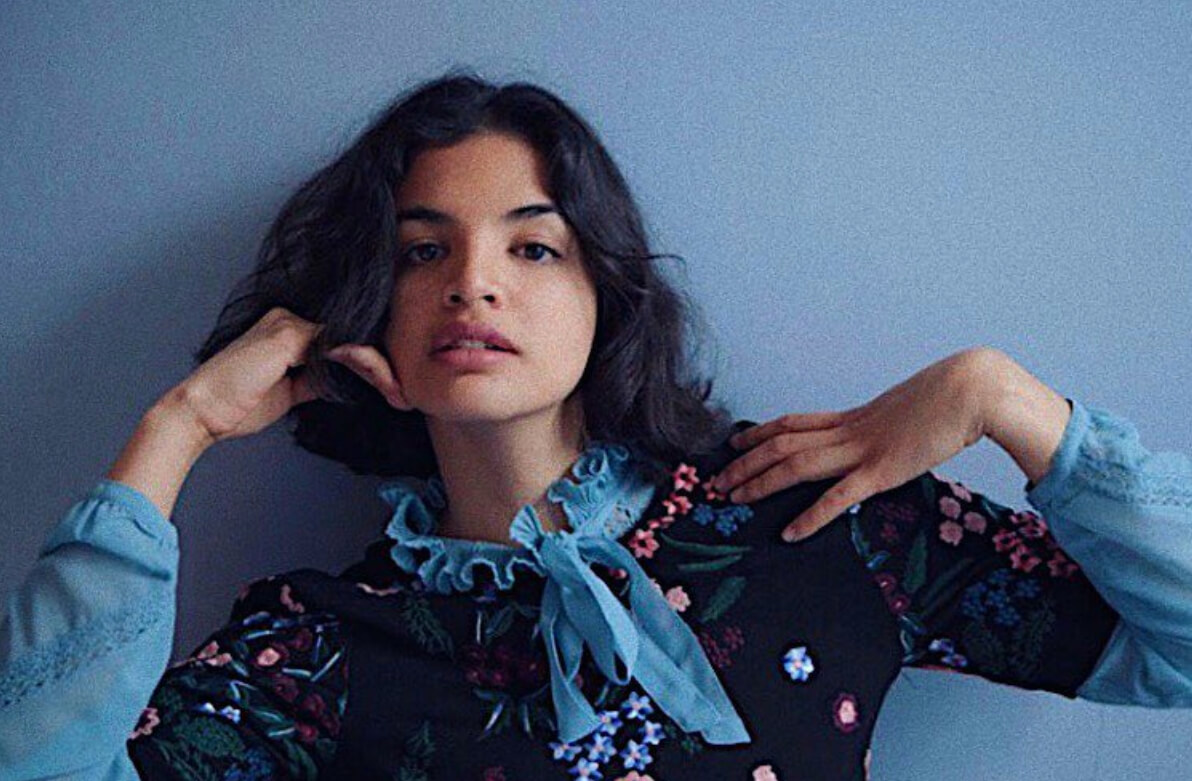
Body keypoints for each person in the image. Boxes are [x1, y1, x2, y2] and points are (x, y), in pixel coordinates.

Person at [1, 69, 1190, 781]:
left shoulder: (814, 506)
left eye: (532, 245)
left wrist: (1002, 398)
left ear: (605, 292)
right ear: (366, 310)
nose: (473, 284)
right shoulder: (312, 647)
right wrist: (175, 430)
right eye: (423, 252)